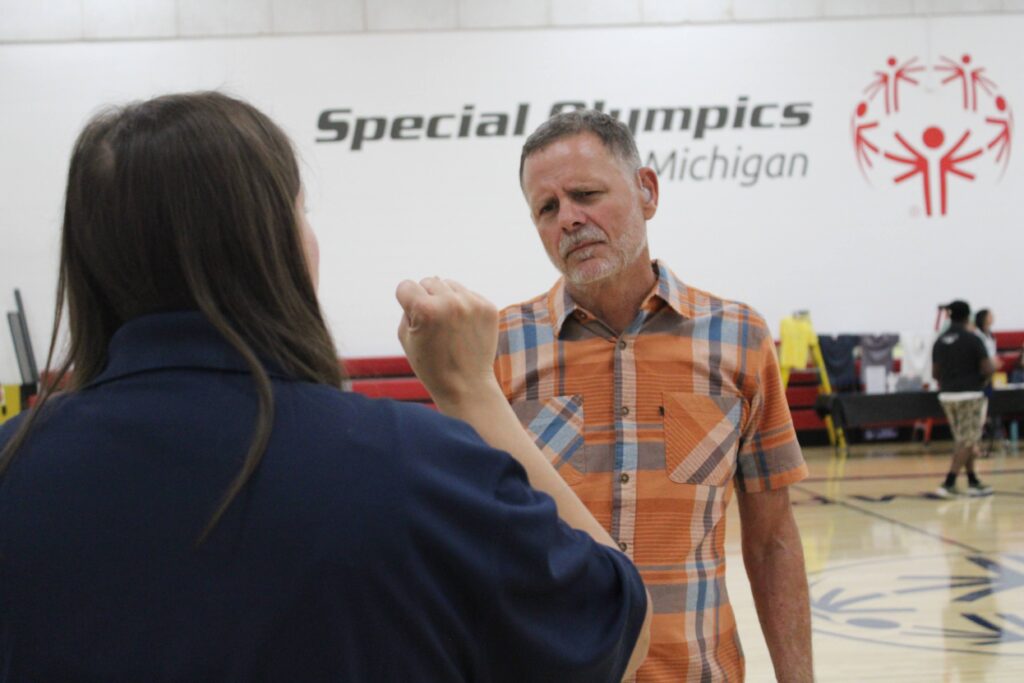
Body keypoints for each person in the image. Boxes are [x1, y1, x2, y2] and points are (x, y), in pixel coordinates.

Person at [0, 92, 651, 682]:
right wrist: (472, 393)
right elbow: (615, 623)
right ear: (275, 243)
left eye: (586, 195)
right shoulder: (409, 468)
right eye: (301, 212)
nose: (568, 218)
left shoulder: (14, 467)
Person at [495, 110, 813, 682]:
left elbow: (772, 542)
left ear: (647, 191)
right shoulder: (498, 350)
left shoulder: (740, 339)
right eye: (547, 208)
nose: (569, 219)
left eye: (586, 194)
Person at [931, 300, 995, 497]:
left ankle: (973, 480)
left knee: (963, 439)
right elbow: (987, 368)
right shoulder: (973, 339)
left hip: (947, 396)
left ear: (949, 316)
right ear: (968, 316)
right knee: (968, 440)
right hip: (970, 395)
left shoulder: (940, 341)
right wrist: (987, 374)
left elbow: (935, 373)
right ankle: (948, 482)